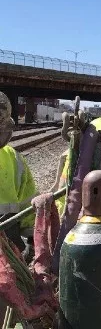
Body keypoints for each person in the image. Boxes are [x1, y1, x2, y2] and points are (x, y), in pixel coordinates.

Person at [0, 91, 37, 254]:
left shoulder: (13, 158)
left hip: (8, 251)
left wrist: (32, 238)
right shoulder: (12, 157)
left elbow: (27, 201)